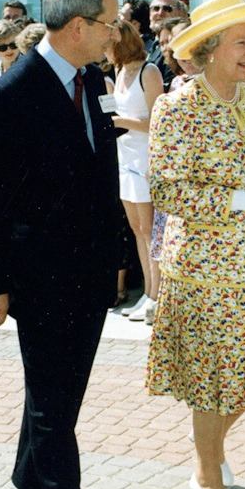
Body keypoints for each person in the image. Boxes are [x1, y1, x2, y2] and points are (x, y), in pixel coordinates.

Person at [0, 0, 124, 489]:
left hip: (87, 269)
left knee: (61, 389)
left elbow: (97, 174)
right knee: (56, 402)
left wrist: (112, 257)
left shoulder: (91, 80)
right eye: (110, 24)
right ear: (79, 25)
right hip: (38, 275)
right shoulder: (14, 91)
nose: (117, 35)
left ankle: (34, 480)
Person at [147, 0, 245, 489]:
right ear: (208, 49)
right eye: (240, 41)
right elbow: (167, 190)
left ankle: (209, 454)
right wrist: (241, 200)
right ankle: (207, 475)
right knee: (216, 375)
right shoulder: (177, 106)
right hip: (206, 268)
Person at [108, 20, 164, 323]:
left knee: (149, 229)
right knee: (137, 230)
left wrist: (121, 122)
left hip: (145, 159)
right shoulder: (119, 72)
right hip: (125, 157)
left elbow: (158, 122)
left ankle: (156, 295)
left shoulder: (149, 70)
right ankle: (148, 292)